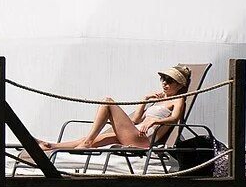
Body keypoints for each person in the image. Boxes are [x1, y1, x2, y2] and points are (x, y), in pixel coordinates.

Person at [40, 64, 191, 153]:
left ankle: (85, 144)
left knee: (107, 102)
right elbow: (136, 119)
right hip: (135, 132)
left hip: (143, 140)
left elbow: (174, 118)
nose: (165, 83)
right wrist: (144, 100)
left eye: (170, 81)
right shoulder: (158, 101)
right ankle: (51, 146)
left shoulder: (179, 99)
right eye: (163, 79)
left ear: (179, 85)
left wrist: (154, 122)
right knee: (94, 139)